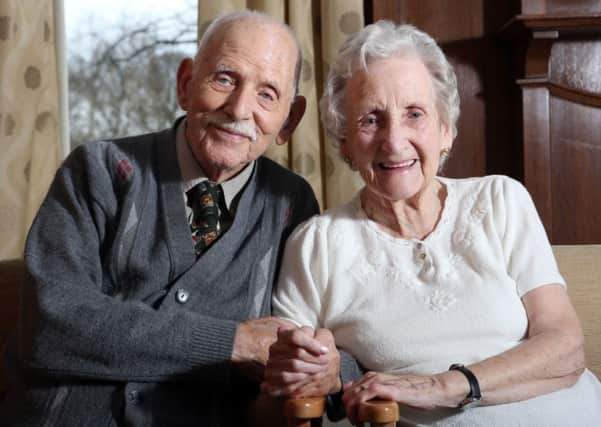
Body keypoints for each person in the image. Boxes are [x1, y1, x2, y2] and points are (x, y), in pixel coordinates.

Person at [0, 10, 351, 427]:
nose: (239, 108)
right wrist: (233, 342)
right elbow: (51, 324)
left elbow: (330, 331)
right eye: (224, 78)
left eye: (267, 95)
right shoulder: (98, 170)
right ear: (186, 85)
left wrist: (336, 371)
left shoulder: (290, 203)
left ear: (288, 121)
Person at [264, 21, 601, 426]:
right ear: (344, 144)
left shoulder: (500, 201)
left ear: (446, 129)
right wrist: (313, 372)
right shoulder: (316, 245)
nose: (394, 140)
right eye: (371, 119)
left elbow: (565, 348)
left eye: (414, 114)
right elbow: (286, 385)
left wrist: (444, 385)